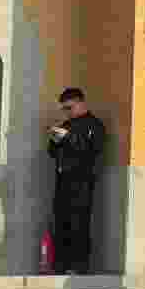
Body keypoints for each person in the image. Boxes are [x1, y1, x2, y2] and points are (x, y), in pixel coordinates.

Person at [46, 89, 107, 275]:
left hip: (82, 180)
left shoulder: (94, 125)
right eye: (64, 109)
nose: (67, 112)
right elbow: (53, 153)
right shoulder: (66, 124)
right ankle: (60, 265)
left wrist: (69, 138)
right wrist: (55, 140)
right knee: (61, 221)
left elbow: (93, 150)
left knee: (78, 222)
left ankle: (78, 266)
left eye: (69, 108)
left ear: (81, 103)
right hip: (63, 180)